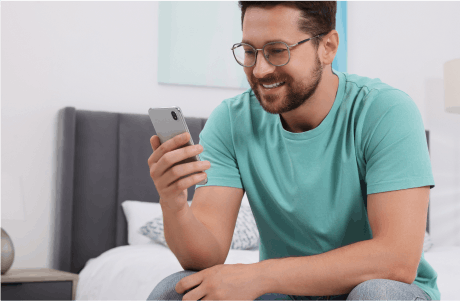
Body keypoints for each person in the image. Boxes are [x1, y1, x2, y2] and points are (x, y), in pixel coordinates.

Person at [146, 1, 439, 300]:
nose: (259, 70)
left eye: (277, 50)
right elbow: (205, 260)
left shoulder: (385, 112)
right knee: (177, 290)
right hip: (285, 293)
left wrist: (258, 275)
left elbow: (397, 260)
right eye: (249, 51)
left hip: (376, 288)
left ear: (327, 46)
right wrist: (173, 204)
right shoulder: (231, 122)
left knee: (376, 294)